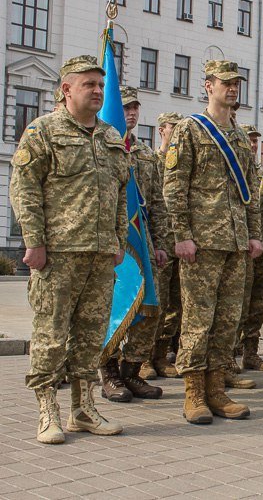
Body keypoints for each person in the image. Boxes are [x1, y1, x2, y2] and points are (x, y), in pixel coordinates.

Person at [11, 55, 127, 443]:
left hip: (99, 253)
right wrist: (34, 241)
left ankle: (84, 408)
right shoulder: (43, 132)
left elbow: (121, 193)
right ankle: (48, 411)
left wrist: (117, 240)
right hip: (58, 253)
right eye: (89, 85)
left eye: (100, 85)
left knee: (91, 335)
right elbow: (24, 188)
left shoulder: (111, 137)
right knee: (51, 333)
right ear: (66, 89)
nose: (97, 91)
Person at [163, 60, 263, 424]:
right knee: (198, 318)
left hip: (236, 242)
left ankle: (217, 389)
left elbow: (250, 191)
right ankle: (193, 394)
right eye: (226, 83)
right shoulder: (191, 129)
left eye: (237, 83)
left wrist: (254, 235)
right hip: (202, 242)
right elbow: (174, 186)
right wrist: (182, 236)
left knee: (227, 319)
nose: (233, 88)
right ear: (208, 86)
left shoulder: (239, 136)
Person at [99, 86, 168, 402]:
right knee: (113, 310)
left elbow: (156, 202)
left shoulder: (145, 155)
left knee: (150, 312)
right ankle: (109, 375)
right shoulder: (102, 147)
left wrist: (162, 242)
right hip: (113, 246)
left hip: (143, 245)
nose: (131, 113)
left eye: (135, 108)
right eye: (125, 107)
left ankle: (132, 372)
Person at [232, 125, 263, 377]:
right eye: (248, 141)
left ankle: (251, 353)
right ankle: (229, 355)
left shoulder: (260, 174)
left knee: (259, 303)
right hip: (242, 247)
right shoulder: (236, 172)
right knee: (239, 303)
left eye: (255, 142)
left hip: (262, 246)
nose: (252, 145)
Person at [149, 112, 184, 379]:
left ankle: (161, 355)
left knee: (176, 304)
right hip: (157, 244)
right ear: (162, 130)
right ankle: (143, 358)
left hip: (179, 243)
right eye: (174, 127)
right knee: (156, 304)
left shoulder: (183, 162)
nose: (178, 132)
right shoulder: (152, 161)